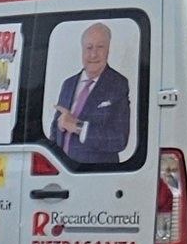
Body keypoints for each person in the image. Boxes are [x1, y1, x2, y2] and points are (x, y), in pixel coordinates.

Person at [50, 22, 132, 168]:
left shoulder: (118, 84)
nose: (93, 54)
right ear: (82, 50)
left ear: (108, 50)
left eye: (100, 47)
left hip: (96, 176)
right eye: (89, 47)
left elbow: (118, 139)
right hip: (62, 173)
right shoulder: (68, 84)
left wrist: (77, 126)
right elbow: (55, 131)